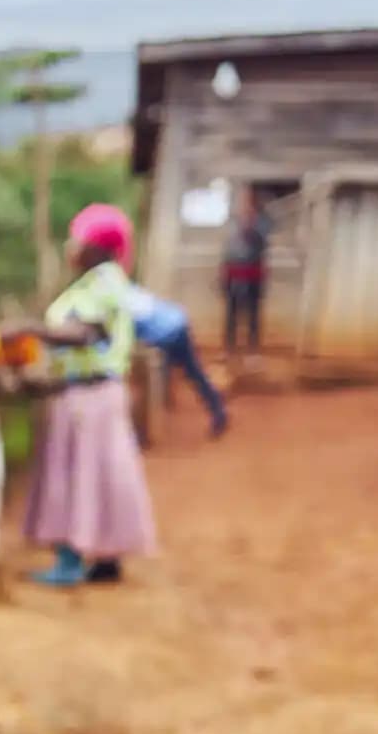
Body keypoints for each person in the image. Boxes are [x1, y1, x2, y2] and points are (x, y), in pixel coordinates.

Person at [16, 203, 158, 587]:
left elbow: (84, 333)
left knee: (75, 475)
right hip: (97, 393)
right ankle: (106, 560)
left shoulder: (103, 283)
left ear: (98, 246)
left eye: (76, 238)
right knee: (102, 473)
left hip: (87, 394)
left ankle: (69, 561)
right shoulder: (102, 281)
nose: (70, 246)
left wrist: (29, 329)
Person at [128, 282, 229, 438]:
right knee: (192, 372)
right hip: (175, 322)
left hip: (164, 333)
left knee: (165, 377)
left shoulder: (117, 306)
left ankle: (146, 430)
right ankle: (218, 411)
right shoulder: (126, 289)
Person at [221, 190, 271, 357]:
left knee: (253, 313)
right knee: (231, 313)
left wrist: (250, 226)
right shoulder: (233, 223)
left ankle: (252, 350)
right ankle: (229, 349)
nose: (245, 207)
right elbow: (227, 250)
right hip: (234, 273)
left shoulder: (263, 223)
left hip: (253, 274)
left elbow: (262, 245)